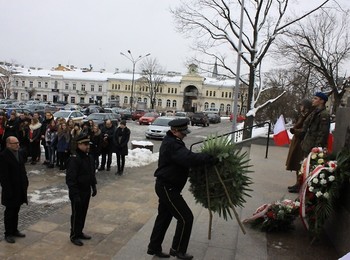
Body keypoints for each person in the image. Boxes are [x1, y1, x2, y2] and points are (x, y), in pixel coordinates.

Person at [147, 118, 216, 260]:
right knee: (186, 218)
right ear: (174, 131)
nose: (185, 134)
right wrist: (208, 158)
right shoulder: (173, 144)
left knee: (164, 217)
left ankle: (154, 247)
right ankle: (178, 250)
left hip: (167, 186)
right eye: (182, 132)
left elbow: (183, 160)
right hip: (168, 187)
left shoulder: (174, 141)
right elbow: (188, 158)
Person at [66, 134, 97, 246]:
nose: (87, 146)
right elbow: (70, 179)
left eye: (88, 144)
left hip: (86, 190)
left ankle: (79, 232)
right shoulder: (74, 159)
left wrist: (93, 186)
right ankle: (74, 235)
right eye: (85, 144)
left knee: (83, 213)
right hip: (77, 191)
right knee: (76, 214)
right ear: (78, 145)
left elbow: (91, 173)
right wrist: (75, 195)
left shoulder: (88, 157)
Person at [0, 136, 29, 243]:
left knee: (16, 210)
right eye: (15, 143)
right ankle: (8, 233)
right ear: (8, 144)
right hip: (10, 190)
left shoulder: (19, 153)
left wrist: (25, 182)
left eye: (18, 142)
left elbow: (22, 169)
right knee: (9, 212)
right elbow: (4, 177)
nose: (18, 145)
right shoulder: (3, 156)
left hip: (20, 188)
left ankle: (15, 230)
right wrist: (8, 191)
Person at [285, 99, 313, 193]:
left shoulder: (308, 116)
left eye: (302, 106)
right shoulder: (303, 115)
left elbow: (304, 130)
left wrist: (294, 131)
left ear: (306, 107)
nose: (300, 107)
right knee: (297, 164)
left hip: (301, 142)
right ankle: (298, 183)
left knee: (299, 163)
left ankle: (299, 184)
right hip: (297, 141)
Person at [301, 92, 331, 157]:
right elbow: (306, 125)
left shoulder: (324, 115)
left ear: (322, 101)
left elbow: (323, 133)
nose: (313, 100)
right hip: (307, 145)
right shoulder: (315, 112)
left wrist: (318, 148)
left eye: (315, 98)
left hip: (314, 148)